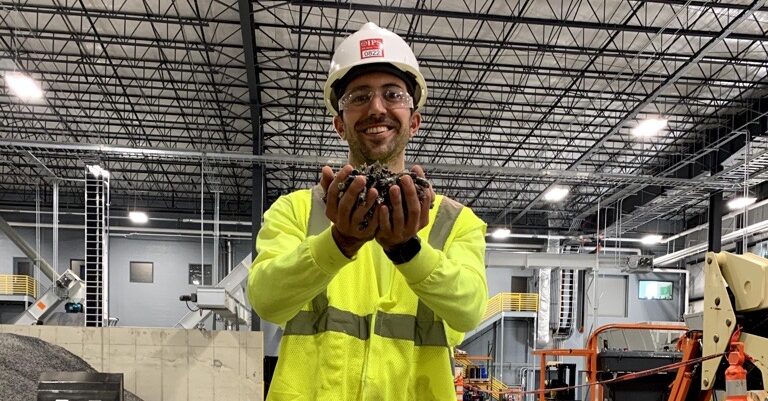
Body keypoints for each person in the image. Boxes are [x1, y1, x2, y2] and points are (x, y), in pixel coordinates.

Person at [248, 21, 488, 401]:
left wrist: (408, 250)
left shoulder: (453, 222)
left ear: (415, 119)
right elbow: (265, 300)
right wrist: (337, 243)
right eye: (359, 97)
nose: (377, 108)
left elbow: (469, 310)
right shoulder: (296, 211)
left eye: (393, 94)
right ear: (339, 124)